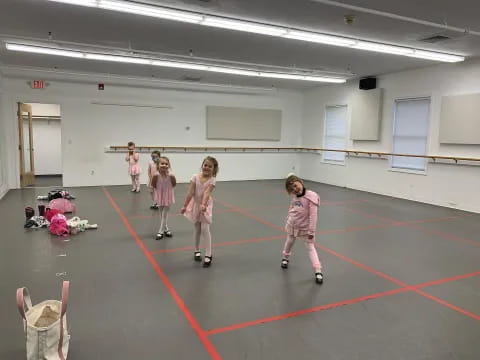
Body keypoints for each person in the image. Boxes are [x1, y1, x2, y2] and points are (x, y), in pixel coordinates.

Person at [281, 174, 324, 284]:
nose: (295, 190)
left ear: (300, 181)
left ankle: (318, 270)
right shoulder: (295, 197)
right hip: (292, 224)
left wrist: (311, 231)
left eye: (295, 186)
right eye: (292, 189)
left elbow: (313, 216)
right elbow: (292, 207)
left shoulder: (312, 196)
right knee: (289, 241)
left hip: (305, 228)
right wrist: (288, 217)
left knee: (310, 247)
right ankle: (285, 258)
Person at [181, 156, 218, 267]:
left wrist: (203, 205)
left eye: (210, 166)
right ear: (202, 165)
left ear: (214, 169)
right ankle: (197, 250)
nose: (206, 167)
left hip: (205, 205)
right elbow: (190, 192)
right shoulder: (195, 177)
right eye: (205, 165)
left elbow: (207, 193)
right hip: (196, 204)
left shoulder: (212, 180)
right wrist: (185, 205)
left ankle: (208, 254)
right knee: (197, 228)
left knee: (205, 228)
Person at [153, 156, 176, 240]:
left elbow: (174, 184)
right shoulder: (156, 175)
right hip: (159, 195)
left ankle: (160, 231)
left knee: (164, 214)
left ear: (168, 165)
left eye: (166, 164)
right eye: (162, 163)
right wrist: (159, 191)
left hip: (168, 195)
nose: (164, 165)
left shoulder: (171, 175)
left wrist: (171, 178)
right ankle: (166, 229)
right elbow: (154, 184)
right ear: (158, 165)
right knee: (161, 213)